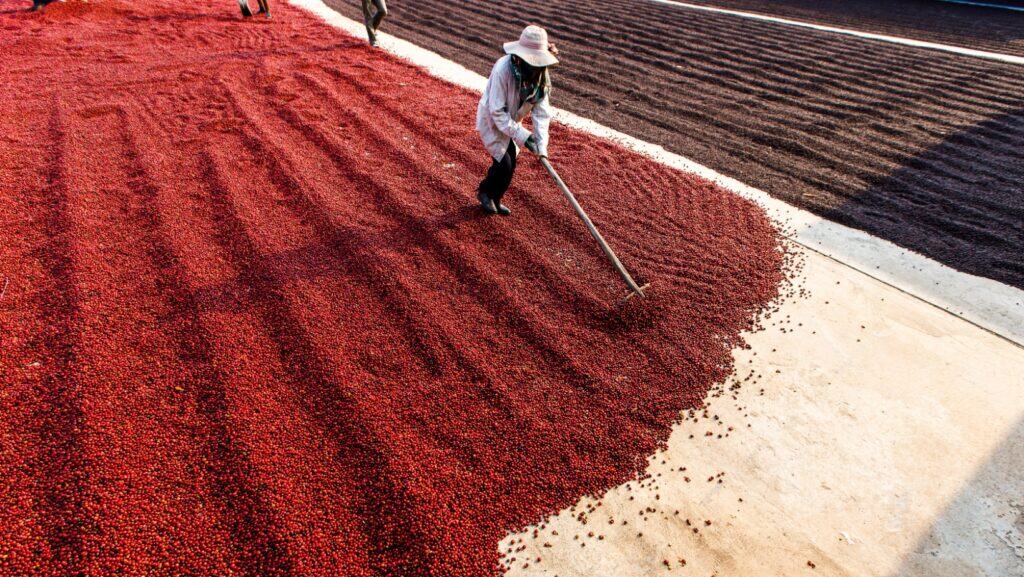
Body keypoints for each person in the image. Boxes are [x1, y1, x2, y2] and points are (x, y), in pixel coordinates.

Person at [476, 25, 558, 216]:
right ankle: (485, 192)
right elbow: (497, 112)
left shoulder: (541, 79)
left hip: (511, 122)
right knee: (503, 162)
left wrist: (541, 146)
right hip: (494, 119)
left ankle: (495, 197)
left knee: (511, 163)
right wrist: (522, 135)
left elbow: (542, 114)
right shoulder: (503, 69)